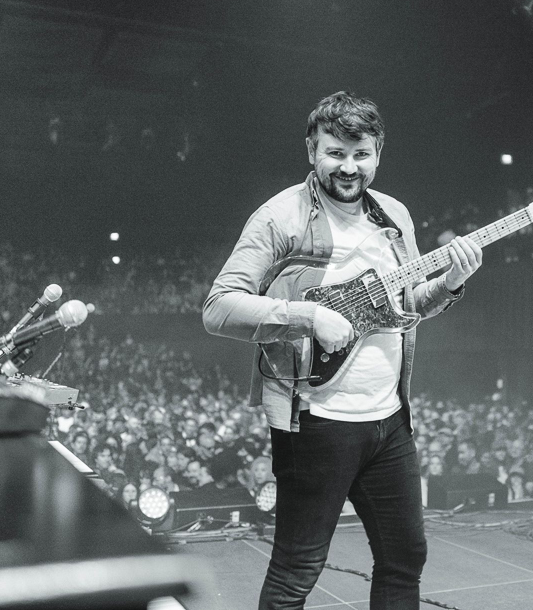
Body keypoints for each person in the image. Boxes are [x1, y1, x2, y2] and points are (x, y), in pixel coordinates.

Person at [203, 91, 483, 610]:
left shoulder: (395, 216)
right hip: (315, 423)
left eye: (361, 155)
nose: (348, 167)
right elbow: (218, 308)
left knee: (405, 558)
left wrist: (451, 282)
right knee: (297, 570)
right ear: (312, 150)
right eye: (335, 153)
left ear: (378, 153)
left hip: (390, 421)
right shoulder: (278, 217)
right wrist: (307, 316)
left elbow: (410, 304)